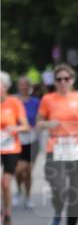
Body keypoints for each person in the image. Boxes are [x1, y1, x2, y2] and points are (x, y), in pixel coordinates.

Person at [36, 63, 78, 225]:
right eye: (59, 79)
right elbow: (38, 124)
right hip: (56, 148)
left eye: (66, 79)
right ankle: (58, 212)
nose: (62, 82)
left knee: (75, 193)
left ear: (72, 80)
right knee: (59, 189)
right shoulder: (48, 99)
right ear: (55, 82)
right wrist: (46, 124)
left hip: (77, 147)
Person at [0, 72, 29, 225]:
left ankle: (7, 213)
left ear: (5, 87)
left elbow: (25, 127)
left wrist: (16, 128)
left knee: (5, 184)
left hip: (10, 148)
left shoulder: (14, 103)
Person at [15, 76, 40, 209]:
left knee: (28, 170)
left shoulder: (35, 102)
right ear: (18, 86)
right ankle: (19, 190)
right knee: (18, 170)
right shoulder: (13, 101)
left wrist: (35, 126)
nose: (24, 87)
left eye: (26, 85)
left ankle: (28, 196)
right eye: (21, 85)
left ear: (29, 87)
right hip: (17, 139)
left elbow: (40, 118)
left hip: (32, 139)